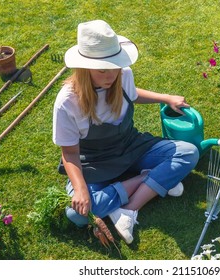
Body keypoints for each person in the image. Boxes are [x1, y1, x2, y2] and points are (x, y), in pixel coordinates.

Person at [52, 20, 199, 244]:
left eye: (115, 67)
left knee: (189, 152)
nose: (111, 76)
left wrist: (165, 98)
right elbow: (70, 153)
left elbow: (132, 94)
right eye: (103, 70)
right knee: (78, 214)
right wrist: (81, 190)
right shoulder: (67, 102)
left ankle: (128, 210)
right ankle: (147, 178)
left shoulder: (123, 76)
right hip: (94, 162)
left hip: (131, 147)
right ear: (84, 68)